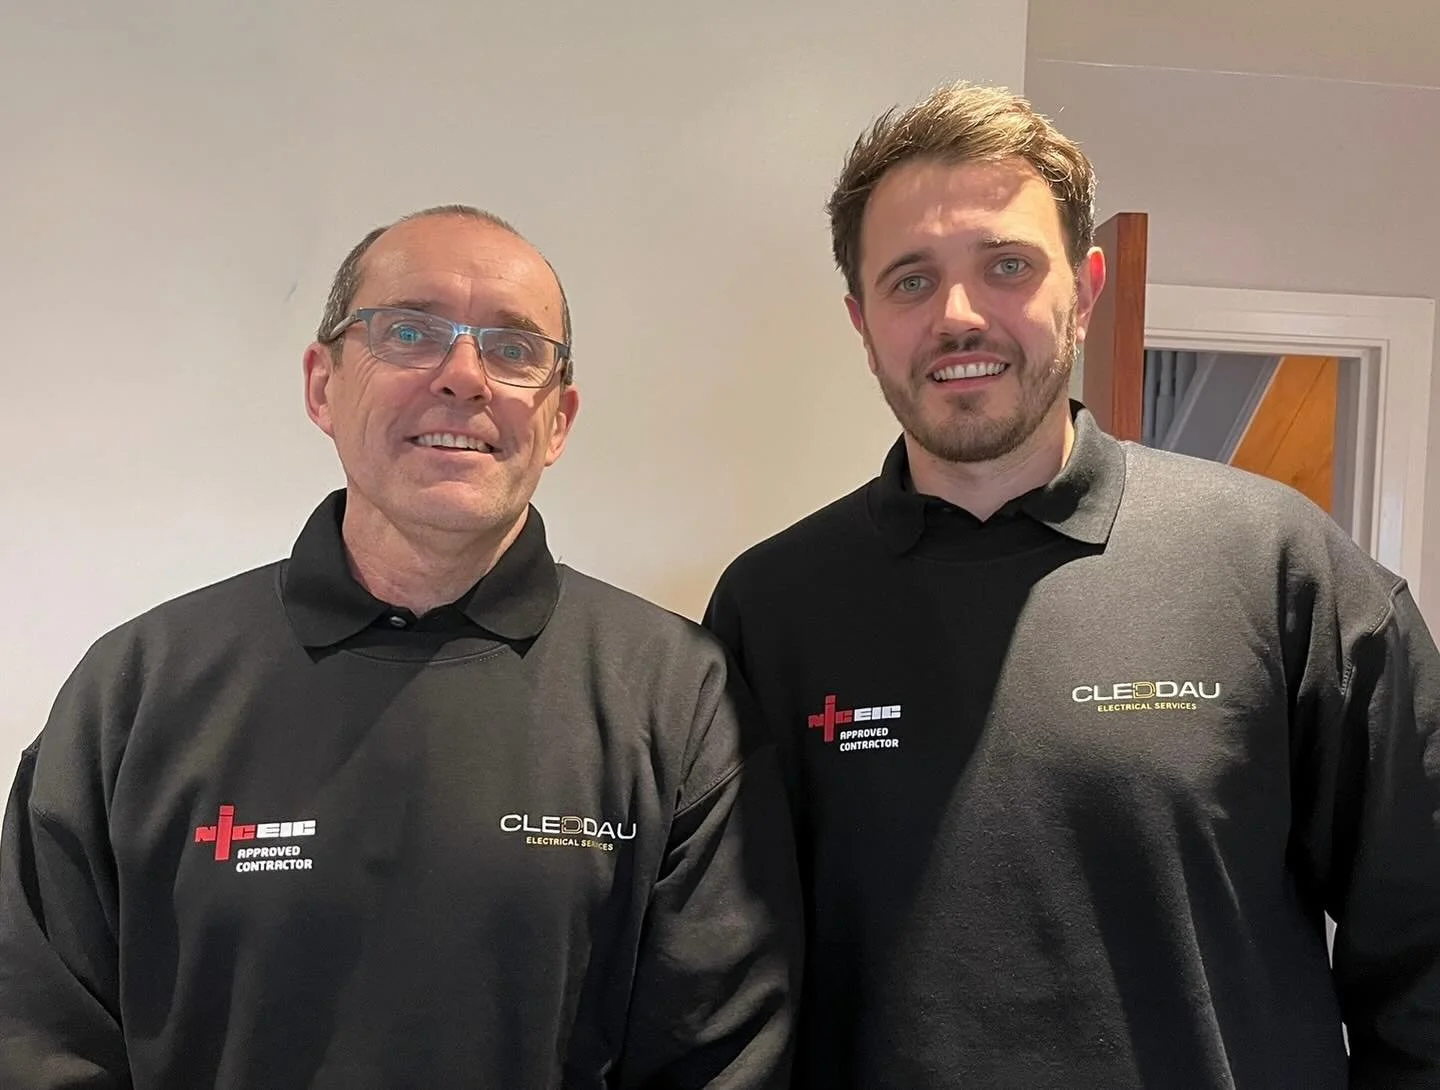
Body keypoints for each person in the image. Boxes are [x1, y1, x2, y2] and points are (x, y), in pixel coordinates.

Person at [703, 81, 1440, 1088]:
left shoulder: (1281, 567)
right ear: (861, 321)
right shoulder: (772, 608)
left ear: (1086, 289)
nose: (959, 314)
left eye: (1006, 265)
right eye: (910, 281)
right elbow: (732, 980)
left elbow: (1424, 944)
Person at [0, 204, 802, 1089]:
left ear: (559, 420)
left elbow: (720, 1063)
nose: (464, 377)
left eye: (513, 348)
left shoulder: (678, 699)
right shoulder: (135, 693)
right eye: (410, 332)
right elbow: (39, 1043)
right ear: (322, 385)